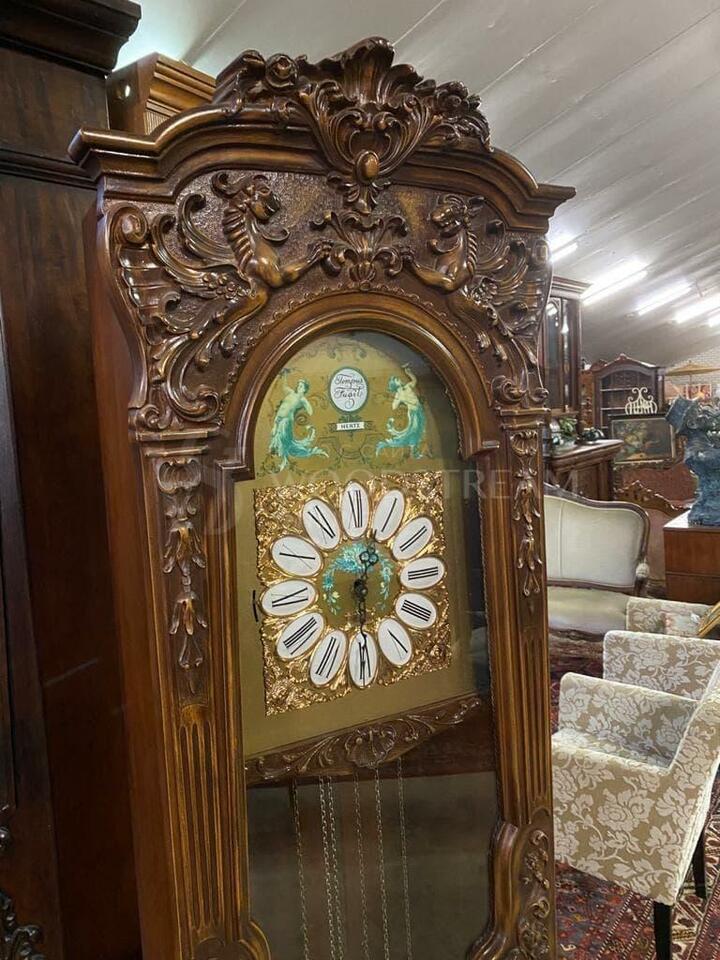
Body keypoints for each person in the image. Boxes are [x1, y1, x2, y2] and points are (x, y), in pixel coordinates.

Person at [269, 372, 328, 471]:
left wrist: (303, 409)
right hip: (278, 420)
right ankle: (278, 464)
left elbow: (310, 411)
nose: (298, 387)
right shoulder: (291, 393)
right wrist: (285, 376)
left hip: (286, 422)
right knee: (275, 444)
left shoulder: (302, 399)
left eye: (301, 386)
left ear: (304, 389)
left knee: (283, 444)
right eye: (298, 385)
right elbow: (284, 387)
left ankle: (281, 465)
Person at [376, 364, 427, 458]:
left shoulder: (407, 387)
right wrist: (397, 399)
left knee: (421, 428)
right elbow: (394, 406)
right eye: (396, 379)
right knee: (414, 430)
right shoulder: (398, 395)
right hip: (413, 412)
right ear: (395, 384)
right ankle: (414, 451)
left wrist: (409, 373)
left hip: (419, 409)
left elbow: (414, 381)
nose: (399, 379)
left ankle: (416, 450)